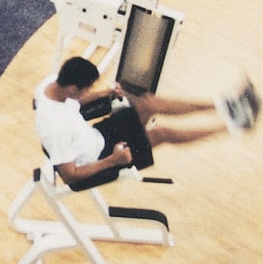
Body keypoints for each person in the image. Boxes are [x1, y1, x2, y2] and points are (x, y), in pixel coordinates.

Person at [34, 55, 227, 189]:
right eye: (87, 88)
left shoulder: (51, 84)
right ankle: (227, 128)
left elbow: (76, 102)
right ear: (72, 89)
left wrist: (105, 93)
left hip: (97, 135)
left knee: (148, 102)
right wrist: (113, 160)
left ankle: (219, 106)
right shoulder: (55, 128)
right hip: (102, 158)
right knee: (160, 133)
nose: (88, 91)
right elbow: (71, 175)